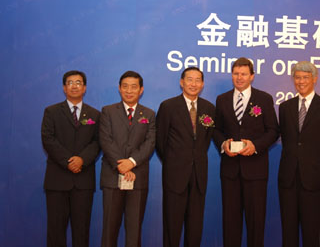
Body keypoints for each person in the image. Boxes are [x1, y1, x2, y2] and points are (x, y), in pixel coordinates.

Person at [214, 57, 279, 247]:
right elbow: (216, 130)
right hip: (230, 171)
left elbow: (273, 131)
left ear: (252, 76)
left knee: (256, 222)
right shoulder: (222, 99)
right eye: (236, 74)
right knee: (230, 222)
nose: (239, 78)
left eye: (243, 74)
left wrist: (256, 146)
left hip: (256, 171)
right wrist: (223, 143)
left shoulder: (264, 98)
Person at [278, 61, 320, 247]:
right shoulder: (285, 107)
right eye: (297, 77)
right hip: (288, 178)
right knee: (288, 232)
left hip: (313, 178)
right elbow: (288, 138)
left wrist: (314, 162)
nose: (301, 81)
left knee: (311, 232)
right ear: (293, 80)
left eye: (305, 77)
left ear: (314, 79)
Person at [156, 67, 215, 247]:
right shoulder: (168, 106)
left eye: (198, 80)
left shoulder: (208, 108)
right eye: (190, 79)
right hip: (175, 176)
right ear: (181, 82)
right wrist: (175, 161)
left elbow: (205, 140)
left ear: (203, 84)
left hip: (198, 176)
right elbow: (160, 141)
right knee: (172, 227)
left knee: (195, 227)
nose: (193, 84)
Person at [41, 70, 100, 247]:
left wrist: (81, 159)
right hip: (57, 180)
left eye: (78, 83)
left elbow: (97, 142)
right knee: (56, 230)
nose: (74, 86)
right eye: (70, 83)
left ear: (85, 88)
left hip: (83, 181)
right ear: (64, 88)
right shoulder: (51, 111)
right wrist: (68, 160)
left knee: (81, 230)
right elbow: (48, 139)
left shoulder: (94, 114)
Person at [99, 71, 156, 247]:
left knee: (134, 230)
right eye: (125, 86)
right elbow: (105, 140)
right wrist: (121, 165)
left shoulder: (149, 113)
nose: (129, 90)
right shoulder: (107, 111)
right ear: (119, 88)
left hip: (137, 179)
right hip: (112, 176)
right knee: (109, 229)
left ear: (141, 90)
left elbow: (150, 142)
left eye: (134, 87)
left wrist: (131, 162)